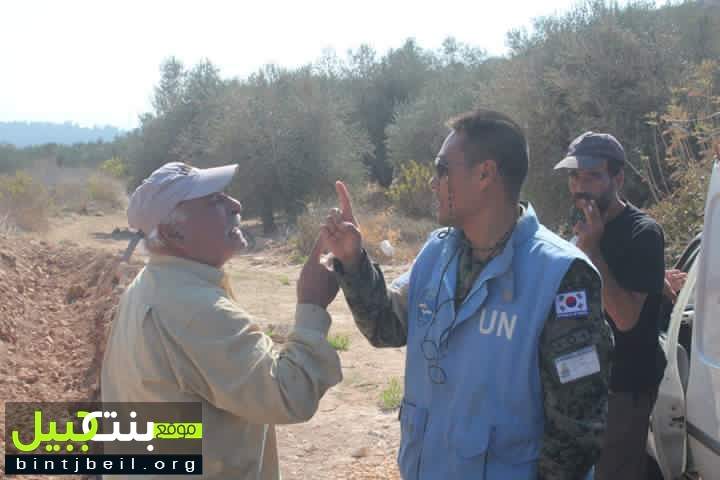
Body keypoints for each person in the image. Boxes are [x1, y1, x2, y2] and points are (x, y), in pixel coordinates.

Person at [320, 109, 613, 479]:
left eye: (442, 169)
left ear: (485, 174)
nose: (433, 183)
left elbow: (577, 429)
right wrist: (353, 260)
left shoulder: (560, 275)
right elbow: (387, 327)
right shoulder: (437, 254)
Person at [101, 162, 342, 479]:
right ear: (175, 231)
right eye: (214, 200)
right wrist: (312, 303)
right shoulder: (197, 309)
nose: (235, 205)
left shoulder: (150, 286)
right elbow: (289, 395)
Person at [554, 131, 667, 480]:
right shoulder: (580, 226)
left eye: (592, 175)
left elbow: (626, 317)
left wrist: (591, 250)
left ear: (617, 178)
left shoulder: (642, 233)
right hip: (581, 385)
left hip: (623, 391)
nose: (579, 186)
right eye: (574, 176)